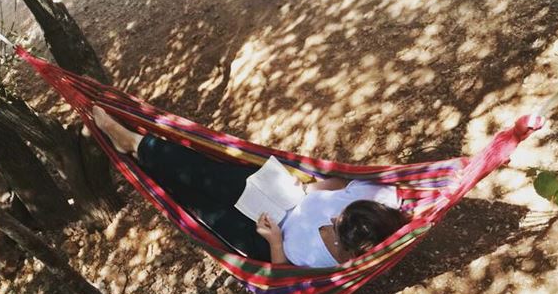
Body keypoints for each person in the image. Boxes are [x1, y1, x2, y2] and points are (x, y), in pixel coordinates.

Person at [91, 106, 407, 267]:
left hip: (261, 237)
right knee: (202, 171)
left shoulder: (330, 264)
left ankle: (138, 157)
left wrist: (274, 241)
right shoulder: (375, 201)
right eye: (339, 214)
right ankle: (134, 142)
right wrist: (311, 188)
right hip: (282, 193)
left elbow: (282, 276)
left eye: (336, 227)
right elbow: (342, 181)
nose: (332, 219)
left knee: (193, 202)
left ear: (350, 251)